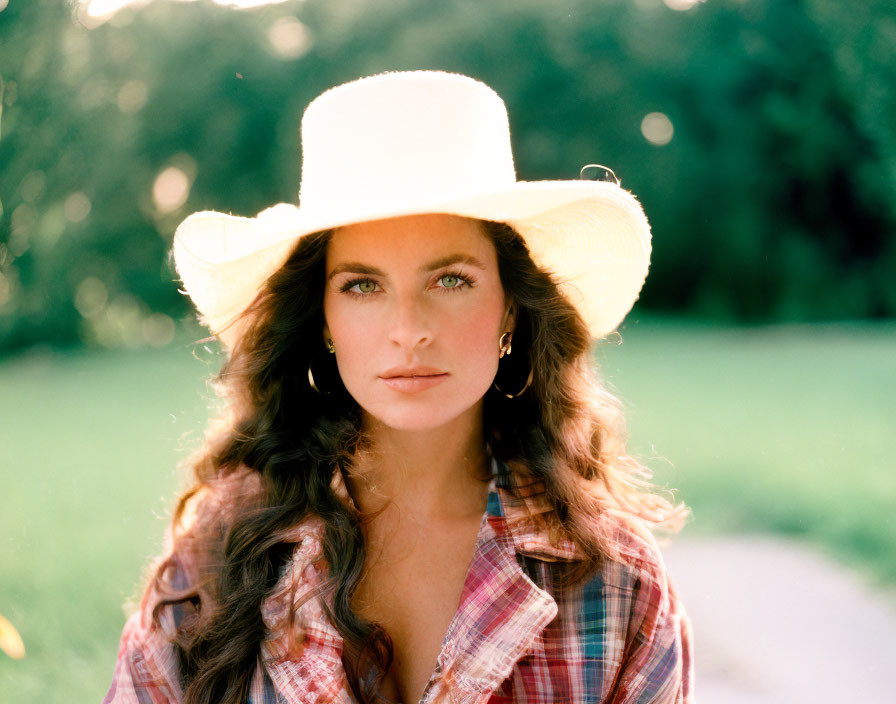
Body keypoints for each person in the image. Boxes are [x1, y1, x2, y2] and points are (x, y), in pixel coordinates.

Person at [103, 70, 693, 704]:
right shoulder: (217, 562)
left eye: (450, 280)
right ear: (322, 320)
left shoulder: (617, 583)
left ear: (511, 310)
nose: (407, 331)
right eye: (362, 285)